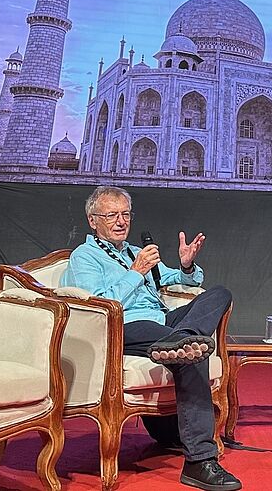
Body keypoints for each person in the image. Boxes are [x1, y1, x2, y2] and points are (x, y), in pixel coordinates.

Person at [61, 185, 242, 491]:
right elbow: (98, 305)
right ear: (93, 220)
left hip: (160, 323)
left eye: (125, 214)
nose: (121, 221)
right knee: (191, 351)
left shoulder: (134, 251)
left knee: (218, 294)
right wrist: (135, 271)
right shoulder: (85, 257)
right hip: (122, 326)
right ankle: (199, 461)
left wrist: (185, 265)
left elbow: (175, 279)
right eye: (112, 215)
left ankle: (183, 338)